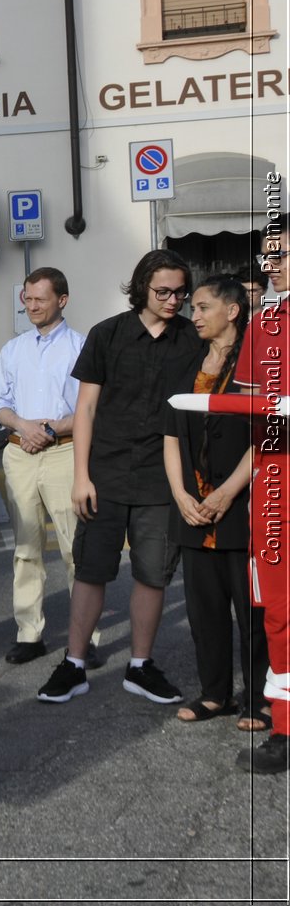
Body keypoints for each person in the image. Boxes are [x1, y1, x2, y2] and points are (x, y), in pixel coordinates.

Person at [37, 250, 203, 705]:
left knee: (154, 574)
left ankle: (140, 666)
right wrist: (80, 476)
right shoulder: (107, 334)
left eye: (180, 293)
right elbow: (85, 409)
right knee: (91, 570)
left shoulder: (192, 338)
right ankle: (73, 664)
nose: (174, 301)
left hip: (162, 477)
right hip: (105, 473)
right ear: (141, 287)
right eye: (163, 292)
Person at [163, 275, 267, 731]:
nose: (194, 314)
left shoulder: (257, 359)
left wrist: (227, 492)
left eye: (203, 306)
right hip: (192, 507)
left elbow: (266, 434)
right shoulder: (188, 364)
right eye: (194, 308)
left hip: (242, 503)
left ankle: (262, 698)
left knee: (252, 610)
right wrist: (181, 494)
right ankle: (215, 694)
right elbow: (169, 435)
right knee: (204, 608)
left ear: (232, 310)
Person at [0, 268, 95, 666]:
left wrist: (50, 428)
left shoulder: (81, 346)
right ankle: (29, 633)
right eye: (27, 299)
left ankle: (86, 638)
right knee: (26, 549)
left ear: (62, 300)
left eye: (40, 299)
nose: (31, 306)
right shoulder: (13, 349)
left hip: (64, 452)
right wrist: (23, 426)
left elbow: (89, 406)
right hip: (19, 453)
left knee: (74, 548)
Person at [237, 226, 290, 773]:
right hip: (277, 484)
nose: (269, 266)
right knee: (278, 613)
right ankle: (285, 726)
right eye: (265, 257)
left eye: (280, 256)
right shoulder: (265, 324)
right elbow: (252, 404)